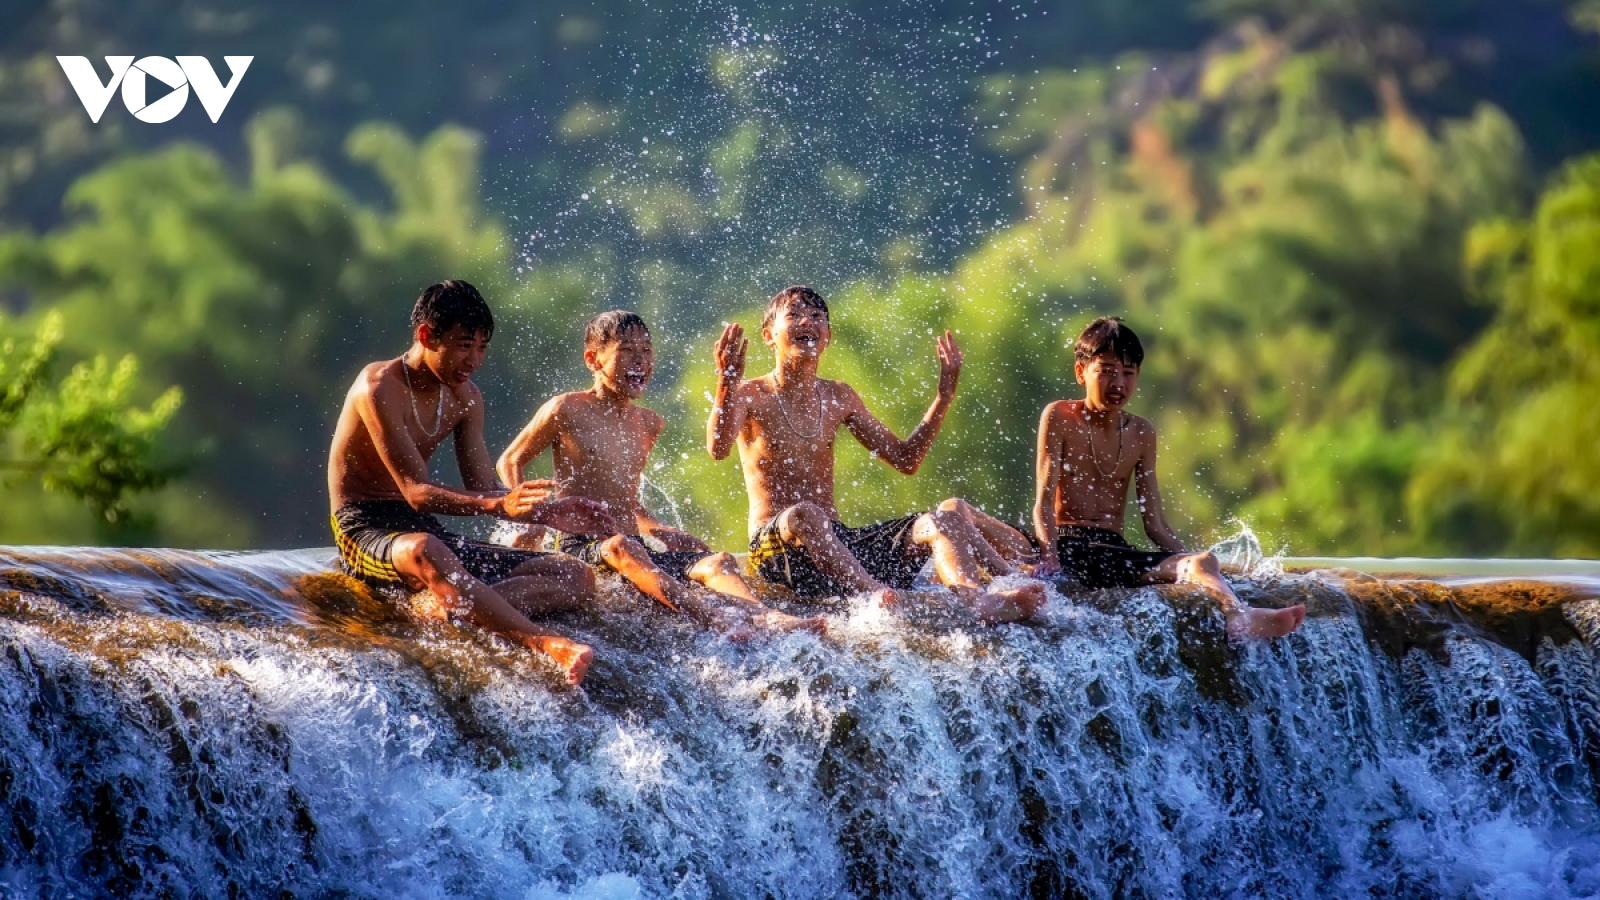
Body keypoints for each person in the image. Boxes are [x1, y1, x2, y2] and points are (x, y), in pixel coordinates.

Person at [328, 280, 618, 685]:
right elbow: (415, 492)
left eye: (482, 348)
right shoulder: (379, 387)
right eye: (464, 345)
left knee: (574, 576)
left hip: (423, 531)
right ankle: (547, 643)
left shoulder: (466, 397)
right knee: (428, 549)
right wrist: (500, 506)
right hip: (366, 529)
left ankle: (448, 606)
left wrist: (550, 512)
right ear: (426, 335)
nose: (474, 360)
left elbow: (483, 485)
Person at [707, 285, 1045, 623]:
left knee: (944, 519)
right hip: (778, 547)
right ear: (769, 335)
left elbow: (905, 459)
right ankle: (875, 596)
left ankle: (977, 602)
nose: (806, 322)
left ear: (827, 335)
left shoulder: (839, 396)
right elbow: (717, 449)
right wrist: (726, 384)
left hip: (837, 544)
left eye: (816, 317)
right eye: (793, 315)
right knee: (806, 513)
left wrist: (943, 398)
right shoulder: (749, 394)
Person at [497, 310, 825, 636]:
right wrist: (536, 518)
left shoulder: (648, 423)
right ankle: (715, 620)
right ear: (593, 360)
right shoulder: (566, 409)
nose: (640, 361)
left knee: (717, 560)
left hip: (634, 544)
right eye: (627, 351)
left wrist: (662, 529)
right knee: (623, 546)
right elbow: (509, 461)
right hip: (585, 547)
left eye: (646, 351)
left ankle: (767, 617)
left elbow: (625, 499)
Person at [1032, 316, 1305, 639]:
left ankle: (1239, 615)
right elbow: (1044, 503)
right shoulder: (1060, 416)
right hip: (1069, 546)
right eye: (1106, 371)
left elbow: (1154, 523)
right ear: (1081, 372)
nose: (1118, 383)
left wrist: (1185, 560)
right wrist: (1050, 559)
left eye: (1128, 373)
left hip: (1114, 554)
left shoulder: (1141, 432)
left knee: (1203, 562)